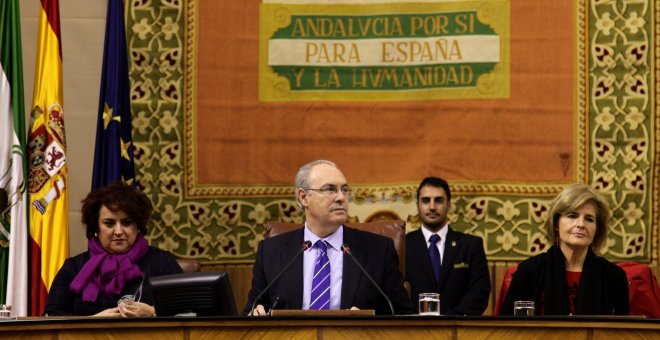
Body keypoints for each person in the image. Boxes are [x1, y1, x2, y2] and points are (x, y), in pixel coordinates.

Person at [244, 160, 415, 315]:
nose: (341, 197)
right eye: (329, 189)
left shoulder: (378, 251)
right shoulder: (271, 252)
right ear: (304, 197)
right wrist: (255, 314)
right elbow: (252, 311)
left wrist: (368, 322)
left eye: (345, 190)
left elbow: (403, 316)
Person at [44, 181, 183, 317]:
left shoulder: (162, 261)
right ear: (95, 227)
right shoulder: (74, 267)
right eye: (109, 223)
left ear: (138, 225)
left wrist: (153, 312)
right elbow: (51, 318)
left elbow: (189, 312)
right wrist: (92, 322)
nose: (118, 231)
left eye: (127, 222)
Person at [500, 183, 629, 315]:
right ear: (556, 223)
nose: (580, 224)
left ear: (597, 229)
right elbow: (507, 329)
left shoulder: (614, 276)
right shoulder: (530, 271)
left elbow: (621, 332)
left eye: (589, 219)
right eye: (572, 216)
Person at [405, 176, 491, 315]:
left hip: (458, 329)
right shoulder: (403, 246)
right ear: (417, 205)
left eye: (439, 200)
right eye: (426, 201)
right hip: (414, 330)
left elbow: (479, 293)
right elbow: (395, 294)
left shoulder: (470, 246)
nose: (432, 207)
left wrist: (450, 321)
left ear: (449, 205)